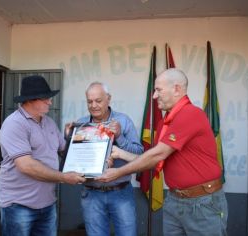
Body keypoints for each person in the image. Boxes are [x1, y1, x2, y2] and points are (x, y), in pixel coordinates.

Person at [97, 68, 228, 236]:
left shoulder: (190, 114)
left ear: (177, 89)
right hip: (175, 200)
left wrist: (118, 172)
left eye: (158, 90)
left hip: (202, 203)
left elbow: (157, 155)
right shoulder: (165, 123)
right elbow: (155, 158)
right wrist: (121, 154)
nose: (154, 96)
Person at [0, 75, 86, 236]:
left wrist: (74, 137)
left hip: (47, 203)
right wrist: (64, 177)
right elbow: (26, 165)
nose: (50, 102)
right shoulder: (14, 124)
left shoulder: (48, 122)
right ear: (30, 100)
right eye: (46, 98)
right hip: (19, 204)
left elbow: (63, 151)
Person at [71, 81, 143, 236]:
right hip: (91, 193)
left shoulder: (123, 121)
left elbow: (139, 154)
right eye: (90, 101)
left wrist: (119, 137)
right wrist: (68, 138)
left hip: (121, 192)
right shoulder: (81, 124)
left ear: (108, 98)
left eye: (98, 100)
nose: (94, 105)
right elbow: (75, 160)